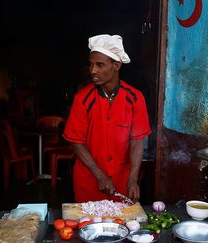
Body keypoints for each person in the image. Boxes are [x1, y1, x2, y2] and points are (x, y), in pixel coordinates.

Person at [63, 34, 151, 202]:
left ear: (116, 65)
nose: (93, 70)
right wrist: (99, 175)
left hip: (121, 181)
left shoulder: (135, 98)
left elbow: (137, 142)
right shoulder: (82, 99)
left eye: (100, 65)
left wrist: (132, 179)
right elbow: (77, 142)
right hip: (89, 181)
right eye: (91, 64)